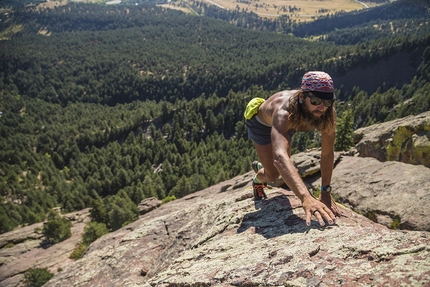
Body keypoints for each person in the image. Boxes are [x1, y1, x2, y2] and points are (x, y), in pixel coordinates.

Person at [244, 71, 341, 226]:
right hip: (261, 124)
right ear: (302, 97)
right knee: (273, 175)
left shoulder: (326, 111)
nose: (322, 107)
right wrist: (306, 198)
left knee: (281, 171)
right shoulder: (284, 111)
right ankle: (258, 180)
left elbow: (327, 153)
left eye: (328, 102)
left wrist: (325, 191)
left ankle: (263, 167)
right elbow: (280, 157)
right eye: (316, 100)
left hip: (290, 124)